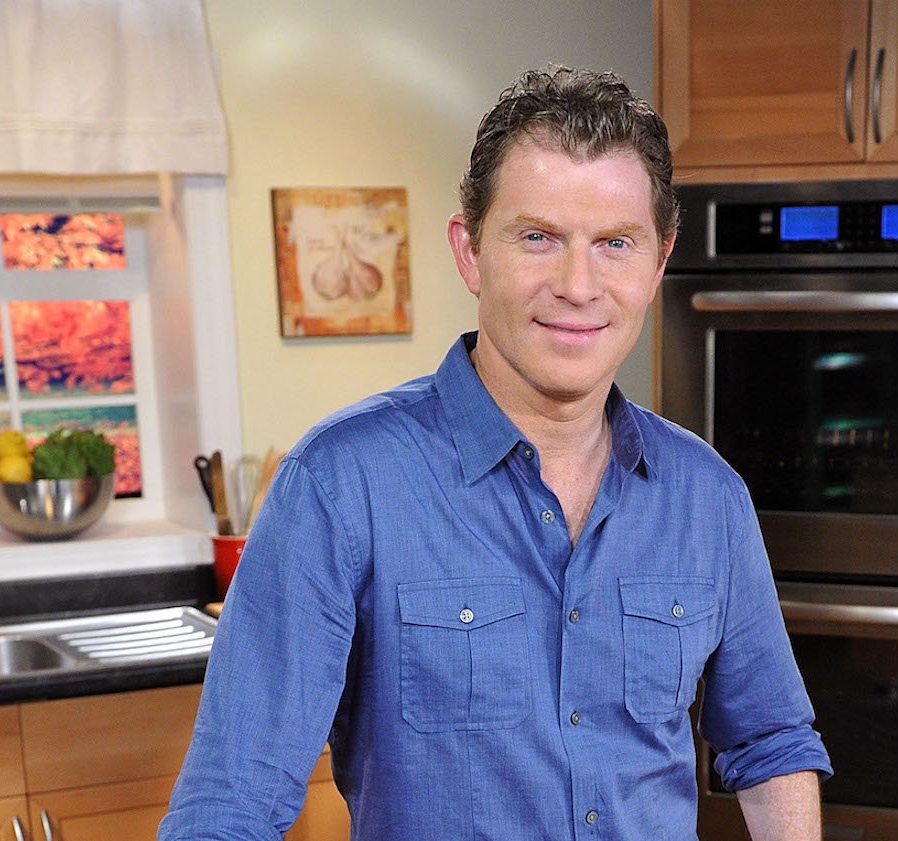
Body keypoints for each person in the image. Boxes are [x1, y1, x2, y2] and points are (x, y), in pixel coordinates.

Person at [158, 65, 831, 841]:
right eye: (538, 237)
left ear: (658, 262)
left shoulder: (708, 496)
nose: (579, 285)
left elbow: (771, 741)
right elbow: (230, 804)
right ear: (470, 251)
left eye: (615, 243)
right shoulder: (341, 486)